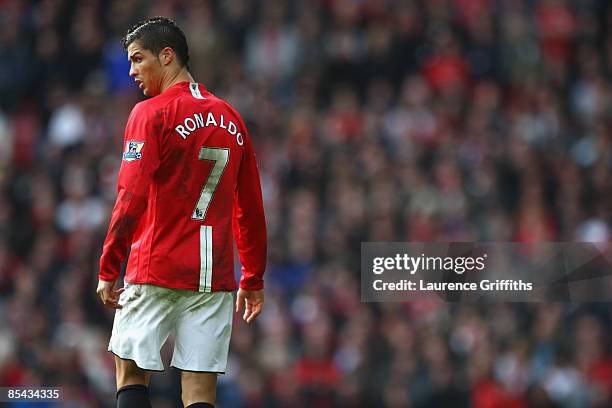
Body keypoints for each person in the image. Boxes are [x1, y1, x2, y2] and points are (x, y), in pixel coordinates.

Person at [96, 17, 267, 408]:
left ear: (167, 55)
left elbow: (130, 197)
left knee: (132, 372)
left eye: (138, 59)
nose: (132, 71)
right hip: (214, 277)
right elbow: (251, 208)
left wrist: (109, 267)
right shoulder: (232, 118)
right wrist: (252, 277)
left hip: (157, 265)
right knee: (200, 391)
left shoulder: (150, 113)